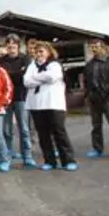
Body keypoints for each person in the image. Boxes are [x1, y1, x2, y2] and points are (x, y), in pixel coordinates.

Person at [24, 41, 78, 171]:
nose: (38, 54)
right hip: (36, 105)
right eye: (36, 52)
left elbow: (53, 77)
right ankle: (50, 161)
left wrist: (35, 78)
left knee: (59, 133)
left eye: (41, 51)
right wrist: (40, 78)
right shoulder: (32, 65)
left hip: (53, 104)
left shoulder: (55, 64)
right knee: (43, 135)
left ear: (48, 52)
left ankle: (68, 160)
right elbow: (26, 81)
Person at [0, 34, 36, 167]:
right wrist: (17, 73)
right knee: (6, 129)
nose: (11, 46)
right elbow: (0, 78)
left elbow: (25, 76)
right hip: (6, 99)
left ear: (18, 46)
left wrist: (9, 75)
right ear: (5, 46)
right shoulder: (0, 61)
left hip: (21, 97)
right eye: (9, 44)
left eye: (14, 44)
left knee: (24, 129)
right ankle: (7, 156)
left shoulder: (26, 59)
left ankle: (27, 156)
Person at [83, 39, 109, 159]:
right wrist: (88, 95)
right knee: (96, 125)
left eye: (96, 46)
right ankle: (97, 149)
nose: (94, 49)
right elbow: (86, 82)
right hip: (94, 99)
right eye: (91, 47)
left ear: (103, 47)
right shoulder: (89, 65)